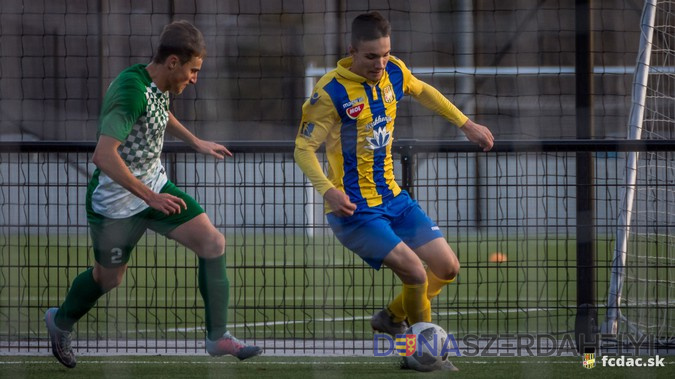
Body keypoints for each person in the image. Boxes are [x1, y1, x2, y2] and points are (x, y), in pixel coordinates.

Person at [44, 20, 262, 368]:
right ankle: (61, 321)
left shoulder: (156, 85)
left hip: (155, 187)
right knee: (109, 279)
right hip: (116, 204)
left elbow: (160, 115)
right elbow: (103, 155)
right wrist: (149, 198)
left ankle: (217, 337)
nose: (195, 78)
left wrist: (195, 142)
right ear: (173, 62)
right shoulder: (131, 89)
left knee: (213, 243)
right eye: (193, 70)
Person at [294, 11, 494, 369]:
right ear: (352, 51)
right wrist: (327, 191)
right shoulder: (330, 93)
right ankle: (421, 351)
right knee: (415, 272)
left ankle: (389, 318)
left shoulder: (395, 71)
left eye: (385, 54)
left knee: (447, 267)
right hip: (355, 211)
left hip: (394, 199)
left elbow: (424, 91)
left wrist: (466, 123)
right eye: (372, 57)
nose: (380, 63)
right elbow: (303, 149)